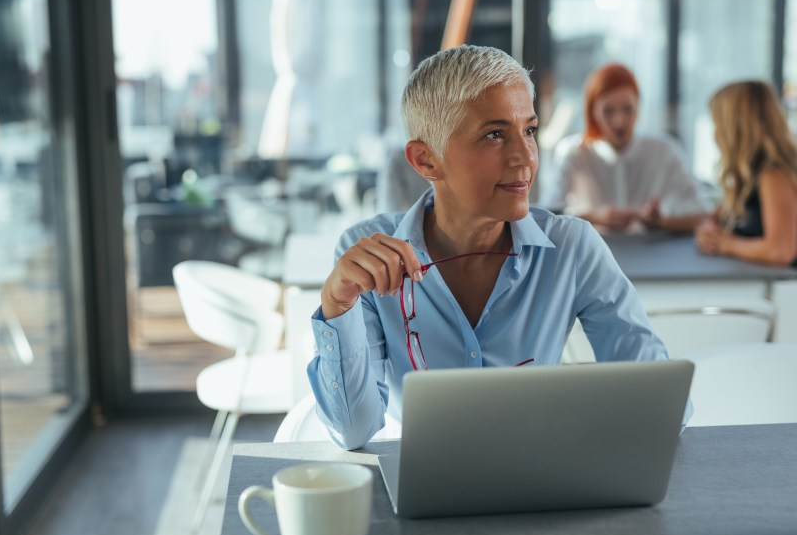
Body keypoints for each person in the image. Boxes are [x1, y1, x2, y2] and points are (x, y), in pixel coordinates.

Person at [307, 45, 674, 450]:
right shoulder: (368, 257)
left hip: (538, 480)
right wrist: (336, 306)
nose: (525, 158)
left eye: (530, 131)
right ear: (426, 160)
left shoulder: (571, 247)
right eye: (495, 135)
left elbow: (662, 406)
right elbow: (353, 430)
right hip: (419, 480)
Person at [544, 63, 709, 233]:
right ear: (592, 112)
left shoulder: (665, 152)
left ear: (638, 106)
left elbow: (703, 216)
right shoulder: (573, 152)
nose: (619, 121)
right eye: (608, 111)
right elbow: (547, 218)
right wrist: (594, 216)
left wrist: (660, 222)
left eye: (628, 109)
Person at [695, 80, 797, 267]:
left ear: (735, 127)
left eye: (718, 124)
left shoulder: (773, 175)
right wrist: (710, 232)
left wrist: (725, 244)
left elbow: (781, 251)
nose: (715, 135)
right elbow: (716, 218)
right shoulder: (748, 177)